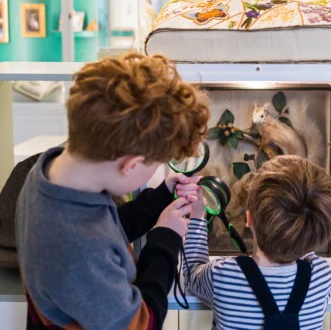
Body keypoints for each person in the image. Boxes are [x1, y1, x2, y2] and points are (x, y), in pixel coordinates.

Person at [16, 51, 211, 330]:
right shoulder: (78, 252)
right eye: (154, 165)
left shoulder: (50, 173)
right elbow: (143, 323)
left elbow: (102, 226)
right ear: (130, 165)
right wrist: (165, 240)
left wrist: (157, 200)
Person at [184, 155, 331, 330]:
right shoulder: (320, 275)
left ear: (249, 218)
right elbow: (304, 245)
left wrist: (197, 216)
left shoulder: (224, 275)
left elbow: (192, 273)